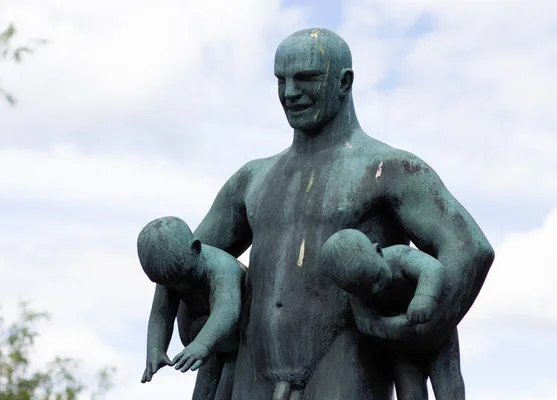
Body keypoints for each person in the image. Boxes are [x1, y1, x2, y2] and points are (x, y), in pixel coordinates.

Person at [193, 28, 495, 399]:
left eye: (306, 78)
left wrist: (423, 326)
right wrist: (199, 316)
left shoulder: (389, 168)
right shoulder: (252, 178)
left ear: (344, 82)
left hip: (347, 366)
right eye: (281, 80)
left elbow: (469, 248)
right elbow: (191, 255)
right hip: (255, 369)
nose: (289, 92)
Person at [320, 228, 465, 399]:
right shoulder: (356, 293)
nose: (375, 289)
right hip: (403, 345)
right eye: (365, 290)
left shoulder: (400, 256)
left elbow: (432, 269)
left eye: (376, 277)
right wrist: (392, 328)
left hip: (436, 332)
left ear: (378, 251)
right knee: (409, 392)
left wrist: (424, 298)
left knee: (448, 382)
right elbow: (365, 322)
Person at [137, 216, 245, 400]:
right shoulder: (170, 275)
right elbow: (161, 314)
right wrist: (156, 350)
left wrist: (201, 345)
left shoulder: (222, 267)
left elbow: (227, 310)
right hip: (206, 341)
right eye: (171, 284)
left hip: (239, 340)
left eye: (184, 277)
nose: (180, 287)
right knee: (203, 391)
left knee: (228, 388)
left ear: (195, 249)